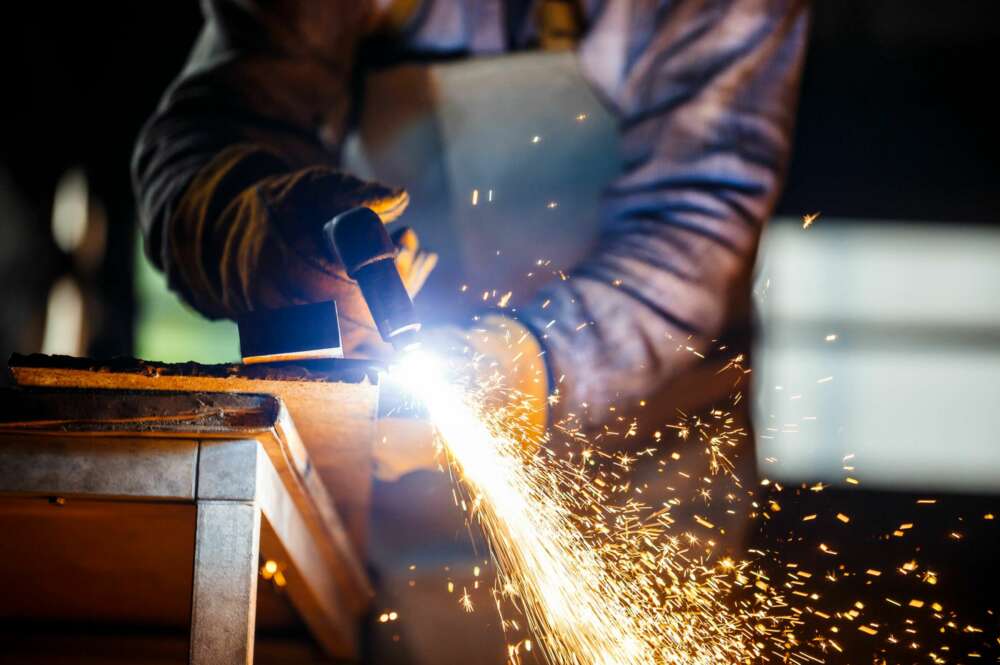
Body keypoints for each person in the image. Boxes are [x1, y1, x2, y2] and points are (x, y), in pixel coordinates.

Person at [134, 1, 808, 662]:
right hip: (396, 503)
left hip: (647, 485)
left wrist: (527, 367)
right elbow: (210, 136)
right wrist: (274, 241)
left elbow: (699, 210)